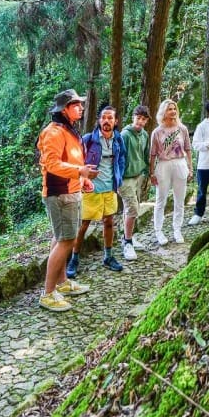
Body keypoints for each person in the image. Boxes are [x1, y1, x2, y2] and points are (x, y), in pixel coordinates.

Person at [36, 89, 98, 312]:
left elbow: (72, 160)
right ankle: (48, 293)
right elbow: (51, 164)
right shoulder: (53, 132)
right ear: (64, 109)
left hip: (70, 190)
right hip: (59, 193)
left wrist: (83, 179)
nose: (81, 108)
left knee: (61, 238)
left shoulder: (68, 130)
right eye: (76, 105)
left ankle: (61, 283)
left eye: (81, 104)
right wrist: (79, 172)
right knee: (66, 240)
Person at [68, 106, 126, 277]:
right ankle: (74, 259)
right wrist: (82, 180)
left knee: (109, 222)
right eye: (104, 118)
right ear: (99, 120)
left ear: (116, 121)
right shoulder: (88, 139)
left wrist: (119, 177)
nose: (106, 121)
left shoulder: (118, 140)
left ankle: (108, 256)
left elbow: (122, 158)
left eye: (110, 118)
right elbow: (76, 161)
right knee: (83, 225)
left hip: (110, 188)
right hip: (90, 189)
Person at [148, 99, 192, 246]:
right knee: (161, 199)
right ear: (163, 112)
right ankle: (158, 231)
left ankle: (177, 229)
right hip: (163, 165)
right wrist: (151, 173)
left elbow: (188, 149)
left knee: (180, 200)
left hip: (180, 163)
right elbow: (152, 154)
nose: (173, 111)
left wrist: (190, 168)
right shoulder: (157, 132)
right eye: (169, 109)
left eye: (174, 109)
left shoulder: (182, 129)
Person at [118, 104, 152, 260]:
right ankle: (128, 242)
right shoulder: (125, 135)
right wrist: (117, 178)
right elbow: (117, 157)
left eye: (144, 119)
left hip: (138, 176)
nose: (140, 121)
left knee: (130, 207)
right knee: (133, 209)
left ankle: (127, 237)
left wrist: (146, 171)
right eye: (138, 118)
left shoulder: (144, 135)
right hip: (125, 178)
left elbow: (145, 154)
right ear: (133, 118)